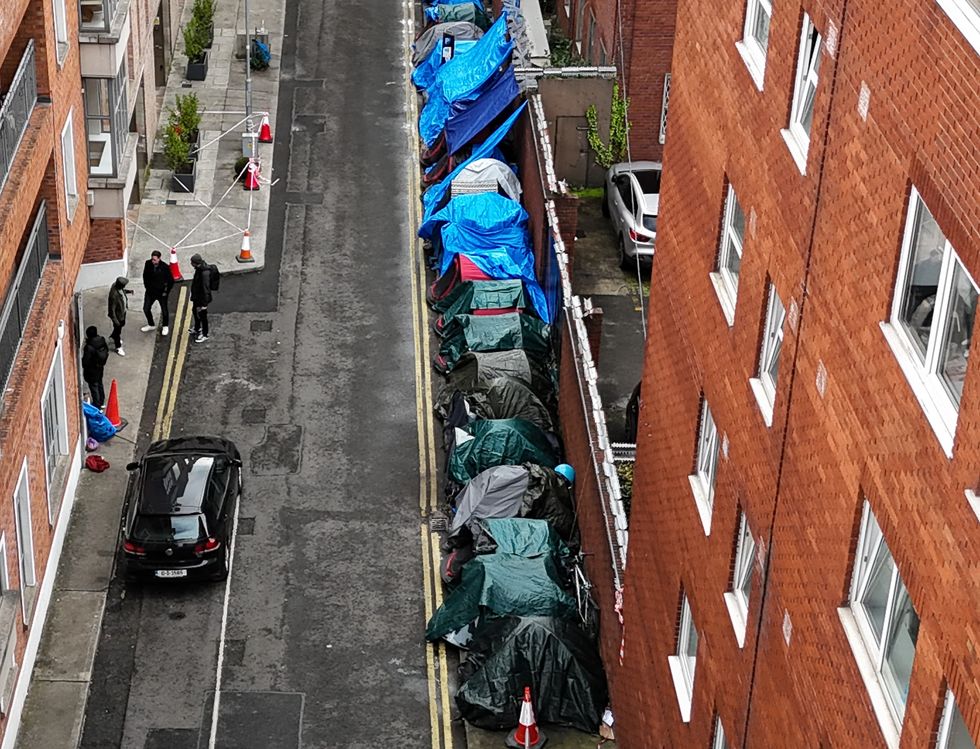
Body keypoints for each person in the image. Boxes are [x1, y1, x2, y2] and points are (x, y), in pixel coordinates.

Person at [140, 250, 174, 336]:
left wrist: (165, 292)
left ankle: (165, 325)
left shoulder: (165, 267)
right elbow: (145, 276)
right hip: (150, 292)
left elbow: (170, 281)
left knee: (164, 310)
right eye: (152, 259)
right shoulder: (148, 264)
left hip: (161, 293)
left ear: (159, 259)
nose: (153, 261)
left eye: (155, 260)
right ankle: (151, 324)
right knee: (146, 308)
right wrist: (147, 287)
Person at [81, 326, 110, 408]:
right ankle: (102, 401)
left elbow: (85, 361)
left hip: (91, 370)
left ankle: (97, 405)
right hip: (100, 367)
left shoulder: (89, 347)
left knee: (94, 387)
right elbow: (106, 350)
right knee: (100, 383)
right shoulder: (102, 340)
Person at [189, 254, 212, 343]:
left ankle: (205, 334)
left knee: (203, 316)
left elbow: (206, 289)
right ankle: (197, 328)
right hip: (197, 297)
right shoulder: (199, 269)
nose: (191, 263)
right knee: (195, 312)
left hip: (201, 299)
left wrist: (204, 304)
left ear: (195, 263)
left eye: (192, 262)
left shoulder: (204, 273)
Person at [107, 276, 130, 356]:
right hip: (117, 317)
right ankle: (118, 347)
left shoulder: (116, 286)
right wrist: (115, 321)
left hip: (122, 313)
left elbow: (123, 291)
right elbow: (111, 310)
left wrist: (129, 291)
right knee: (117, 331)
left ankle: (113, 336)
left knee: (120, 327)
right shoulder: (114, 296)